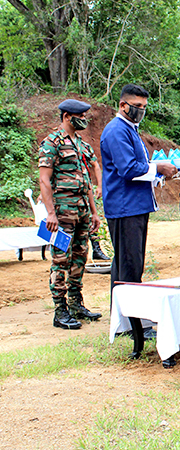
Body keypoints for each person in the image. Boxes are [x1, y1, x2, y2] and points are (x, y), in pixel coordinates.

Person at [100, 84, 177, 340]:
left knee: (123, 264)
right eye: (137, 106)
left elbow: (138, 166)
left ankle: (122, 322)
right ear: (123, 105)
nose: (140, 111)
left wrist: (156, 173)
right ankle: (135, 328)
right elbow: (130, 169)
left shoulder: (129, 129)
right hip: (125, 208)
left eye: (144, 107)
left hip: (132, 205)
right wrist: (158, 169)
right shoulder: (116, 131)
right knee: (131, 265)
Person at [38, 99, 102, 330]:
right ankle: (60, 310)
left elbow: (86, 181)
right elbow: (44, 180)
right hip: (62, 213)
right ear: (67, 116)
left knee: (79, 257)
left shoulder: (81, 145)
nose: (84, 120)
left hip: (82, 211)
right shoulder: (51, 143)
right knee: (60, 259)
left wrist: (94, 213)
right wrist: (50, 214)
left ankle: (76, 304)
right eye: (81, 116)